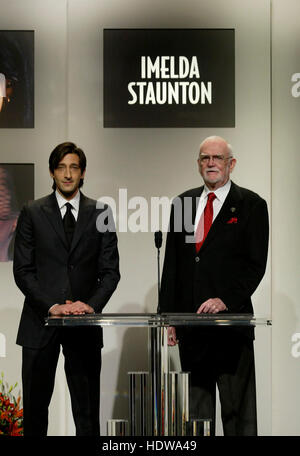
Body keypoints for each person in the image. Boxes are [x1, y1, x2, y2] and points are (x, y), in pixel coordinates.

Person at [159, 136, 269, 436]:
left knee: (239, 419)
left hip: (231, 328)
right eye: (205, 158)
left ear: (230, 164)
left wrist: (226, 300)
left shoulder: (252, 205)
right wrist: (169, 315)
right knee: (197, 419)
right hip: (192, 329)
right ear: (198, 164)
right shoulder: (182, 204)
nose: (210, 163)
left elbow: (255, 266)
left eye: (217, 158)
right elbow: (173, 265)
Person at [13, 142, 120, 436]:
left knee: (87, 417)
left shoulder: (101, 212)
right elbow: (22, 270)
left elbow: (110, 272)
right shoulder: (32, 212)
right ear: (52, 172)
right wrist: (52, 305)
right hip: (40, 322)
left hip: (83, 325)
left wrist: (90, 305)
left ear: (83, 172)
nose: (68, 174)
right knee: (35, 415)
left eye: (74, 167)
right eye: (61, 167)